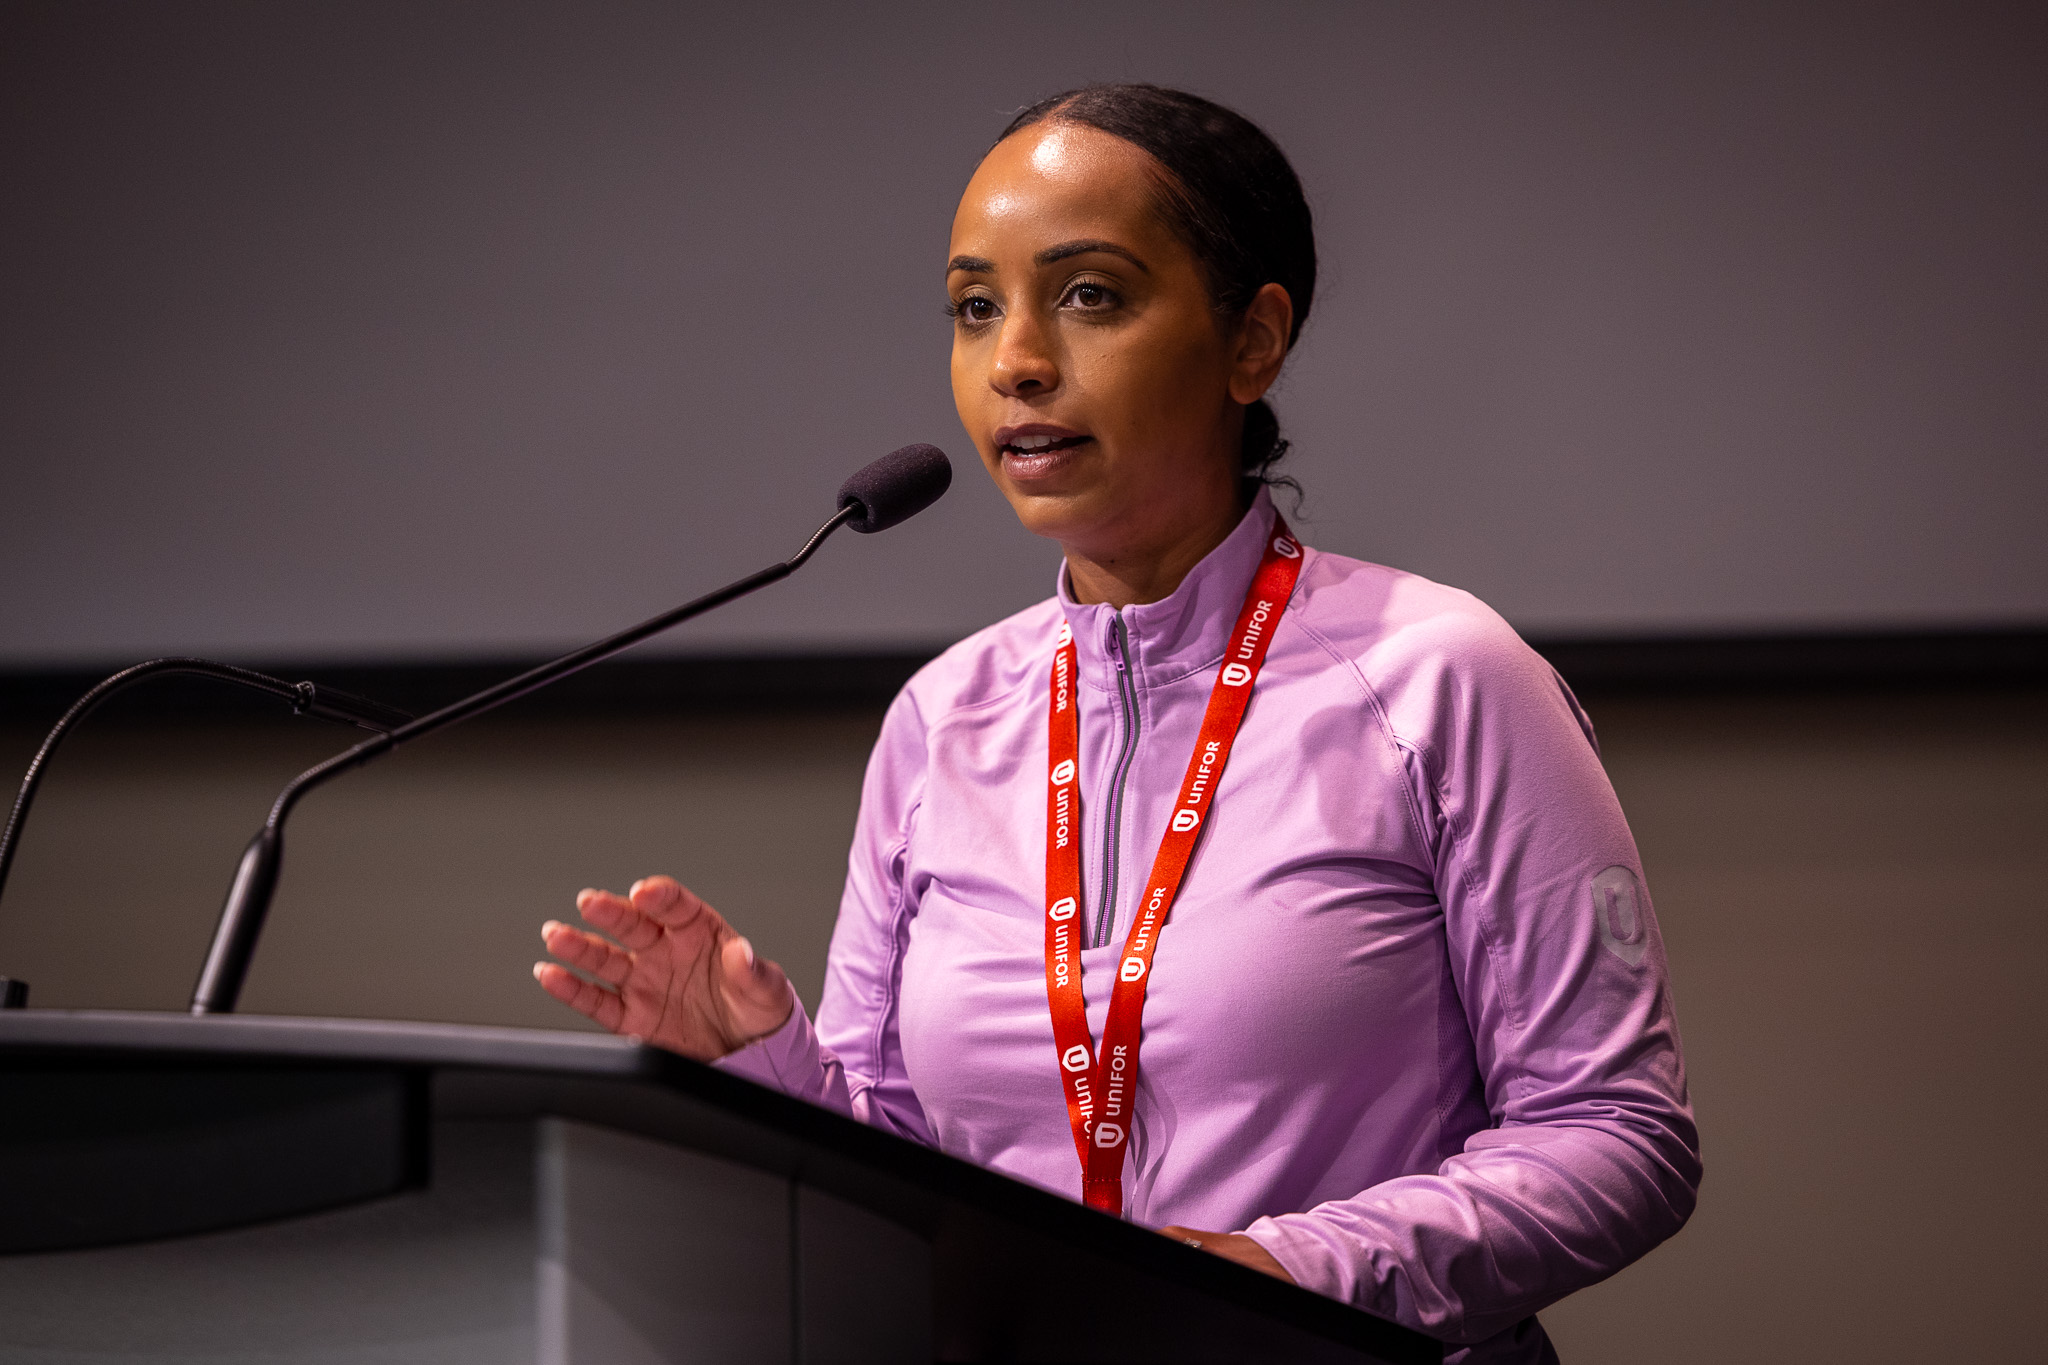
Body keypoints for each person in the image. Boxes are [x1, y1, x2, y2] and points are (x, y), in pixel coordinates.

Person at [534, 84, 1698, 1364]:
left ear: (1251, 342)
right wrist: (758, 1064)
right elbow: (899, 1166)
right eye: (975, 309)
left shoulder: (1440, 678)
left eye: (1087, 294)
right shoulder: (942, 720)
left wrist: (1279, 1274)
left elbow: (1616, 1138)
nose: (1015, 360)